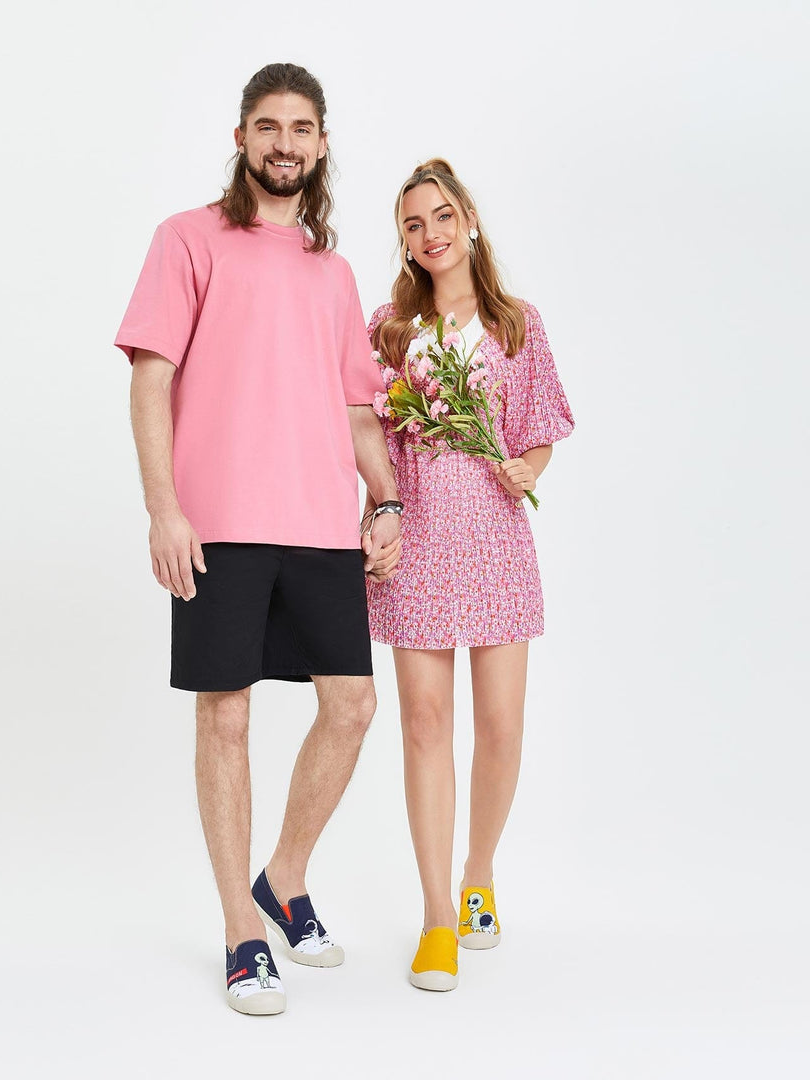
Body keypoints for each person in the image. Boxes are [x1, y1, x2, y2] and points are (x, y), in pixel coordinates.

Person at [114, 63, 402, 1016]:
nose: (286, 143)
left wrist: (388, 501)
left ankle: (283, 876)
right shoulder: (187, 238)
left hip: (320, 527)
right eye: (269, 125)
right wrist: (163, 507)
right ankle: (242, 929)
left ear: (321, 145)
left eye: (302, 127)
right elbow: (150, 378)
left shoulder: (333, 271)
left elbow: (358, 409)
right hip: (221, 523)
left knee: (353, 706)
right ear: (241, 137)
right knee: (226, 717)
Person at [364, 159, 574, 991]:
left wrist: (528, 468)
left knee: (501, 726)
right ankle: (436, 918)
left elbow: (540, 427)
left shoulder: (518, 324)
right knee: (424, 724)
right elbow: (371, 435)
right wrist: (379, 513)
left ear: (470, 220)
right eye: (413, 224)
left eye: (442, 216)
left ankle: (477, 873)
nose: (431, 234)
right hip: (417, 540)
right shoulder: (389, 328)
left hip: (495, 543)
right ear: (405, 241)